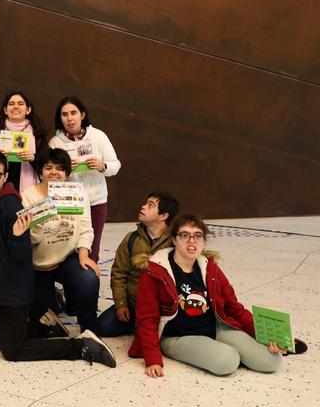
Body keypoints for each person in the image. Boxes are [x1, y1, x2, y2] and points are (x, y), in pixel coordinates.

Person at [0, 151, 115, 366]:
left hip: (11, 290)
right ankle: (44, 327)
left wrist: (18, 236)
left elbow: (22, 256)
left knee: (12, 351)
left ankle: (80, 346)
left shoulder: (12, 205)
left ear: (5, 176)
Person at [130, 214, 285, 377]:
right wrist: (153, 358)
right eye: (184, 235)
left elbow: (235, 308)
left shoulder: (210, 268)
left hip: (214, 328)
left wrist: (266, 337)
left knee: (272, 361)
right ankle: (223, 352)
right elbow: (147, 318)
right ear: (174, 240)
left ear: (204, 241)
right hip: (177, 336)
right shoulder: (155, 271)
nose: (192, 240)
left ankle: (222, 349)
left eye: (198, 235)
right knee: (226, 361)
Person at [22, 148, 98, 332]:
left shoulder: (77, 193)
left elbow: (86, 228)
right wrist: (42, 212)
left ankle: (89, 329)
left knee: (88, 278)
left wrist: (83, 254)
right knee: (39, 319)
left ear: (66, 173)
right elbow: (29, 239)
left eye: (60, 168)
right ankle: (54, 299)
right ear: (40, 171)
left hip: (66, 258)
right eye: (48, 168)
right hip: (37, 265)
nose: (54, 172)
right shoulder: (27, 196)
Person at [96, 192, 179, 337]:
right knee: (103, 328)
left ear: (164, 216)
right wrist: (121, 304)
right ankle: (137, 325)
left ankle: (144, 326)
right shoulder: (132, 238)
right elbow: (119, 273)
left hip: (160, 309)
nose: (143, 206)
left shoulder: (175, 242)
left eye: (150, 205)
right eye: (146, 203)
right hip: (133, 305)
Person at [49, 96, 121, 261]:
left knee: (92, 249)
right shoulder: (55, 143)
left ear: (82, 115)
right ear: (60, 119)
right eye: (64, 114)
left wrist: (102, 165)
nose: (69, 118)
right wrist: (64, 169)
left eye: (73, 113)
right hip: (68, 201)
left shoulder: (98, 136)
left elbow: (115, 165)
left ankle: (89, 283)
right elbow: (49, 176)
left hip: (96, 201)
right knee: (66, 246)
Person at [0, 90, 48, 191]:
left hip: (29, 189)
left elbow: (47, 163)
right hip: (2, 185)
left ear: (28, 110)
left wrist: (33, 158)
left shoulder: (37, 134)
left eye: (20, 104)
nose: (15, 107)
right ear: (5, 110)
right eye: (11, 104)